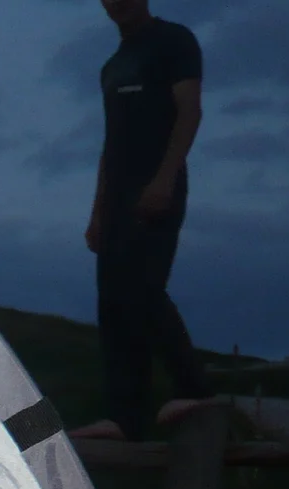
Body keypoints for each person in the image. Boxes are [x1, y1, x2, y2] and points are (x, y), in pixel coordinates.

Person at [72, 0, 218, 442]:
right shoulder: (112, 66)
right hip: (116, 193)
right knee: (113, 302)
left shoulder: (174, 40)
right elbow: (110, 141)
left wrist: (165, 178)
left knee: (142, 288)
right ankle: (124, 417)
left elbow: (189, 111)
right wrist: (98, 211)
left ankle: (195, 390)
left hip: (157, 180)